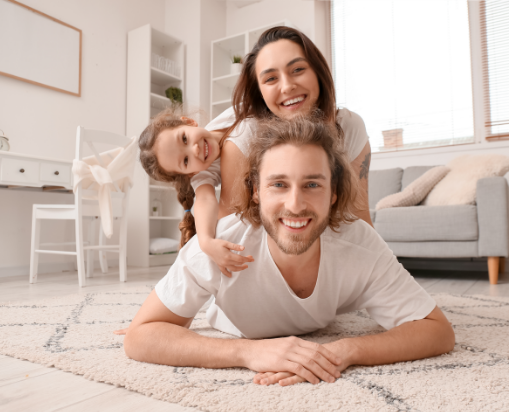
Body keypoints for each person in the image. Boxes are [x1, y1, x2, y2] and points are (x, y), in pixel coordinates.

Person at [123, 115, 455, 387]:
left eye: (312, 184)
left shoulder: (360, 244)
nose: (295, 205)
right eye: (278, 184)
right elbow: (140, 336)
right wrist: (247, 353)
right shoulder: (220, 246)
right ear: (255, 191)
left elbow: (437, 330)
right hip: (229, 318)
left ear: (334, 193)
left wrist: (344, 351)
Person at [145, 26, 372, 277]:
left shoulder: (239, 112)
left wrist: (375, 271)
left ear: (189, 122)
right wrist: (206, 242)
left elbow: (360, 215)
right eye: (185, 160)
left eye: (298, 69)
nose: (196, 150)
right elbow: (215, 209)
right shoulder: (239, 138)